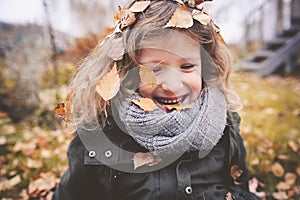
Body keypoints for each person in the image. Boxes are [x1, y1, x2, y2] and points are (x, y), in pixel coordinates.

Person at [53, 0, 259, 199]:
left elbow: (238, 183)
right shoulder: (102, 130)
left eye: (187, 67)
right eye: (155, 70)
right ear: (126, 71)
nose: (172, 86)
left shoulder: (225, 122)